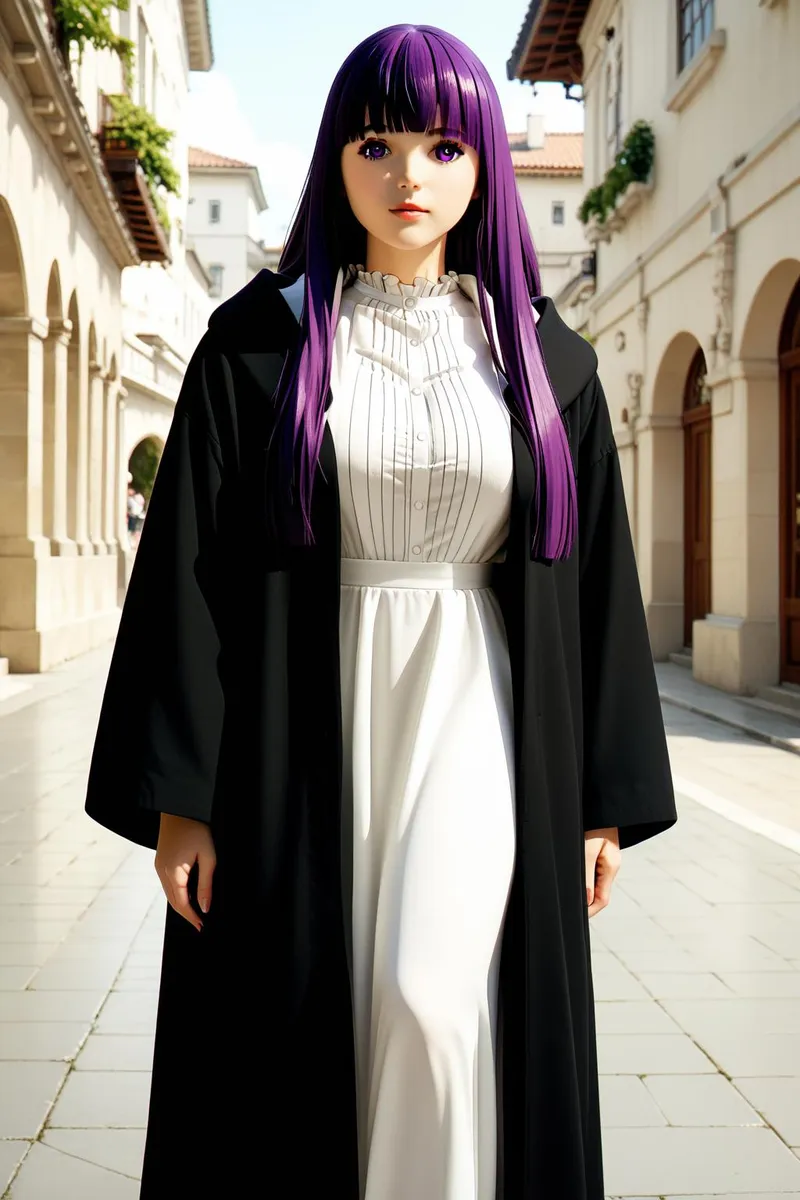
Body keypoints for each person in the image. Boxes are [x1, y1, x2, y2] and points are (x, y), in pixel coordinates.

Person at [85, 24, 676, 1200]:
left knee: (431, 996)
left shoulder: (544, 363)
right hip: (300, 715)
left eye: (443, 144)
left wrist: (601, 798)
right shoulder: (259, 345)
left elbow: (598, 580)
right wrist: (182, 800)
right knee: (312, 1004)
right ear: (335, 158)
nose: (408, 174)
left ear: (482, 170)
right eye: (376, 141)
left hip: (480, 712)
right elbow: (187, 575)